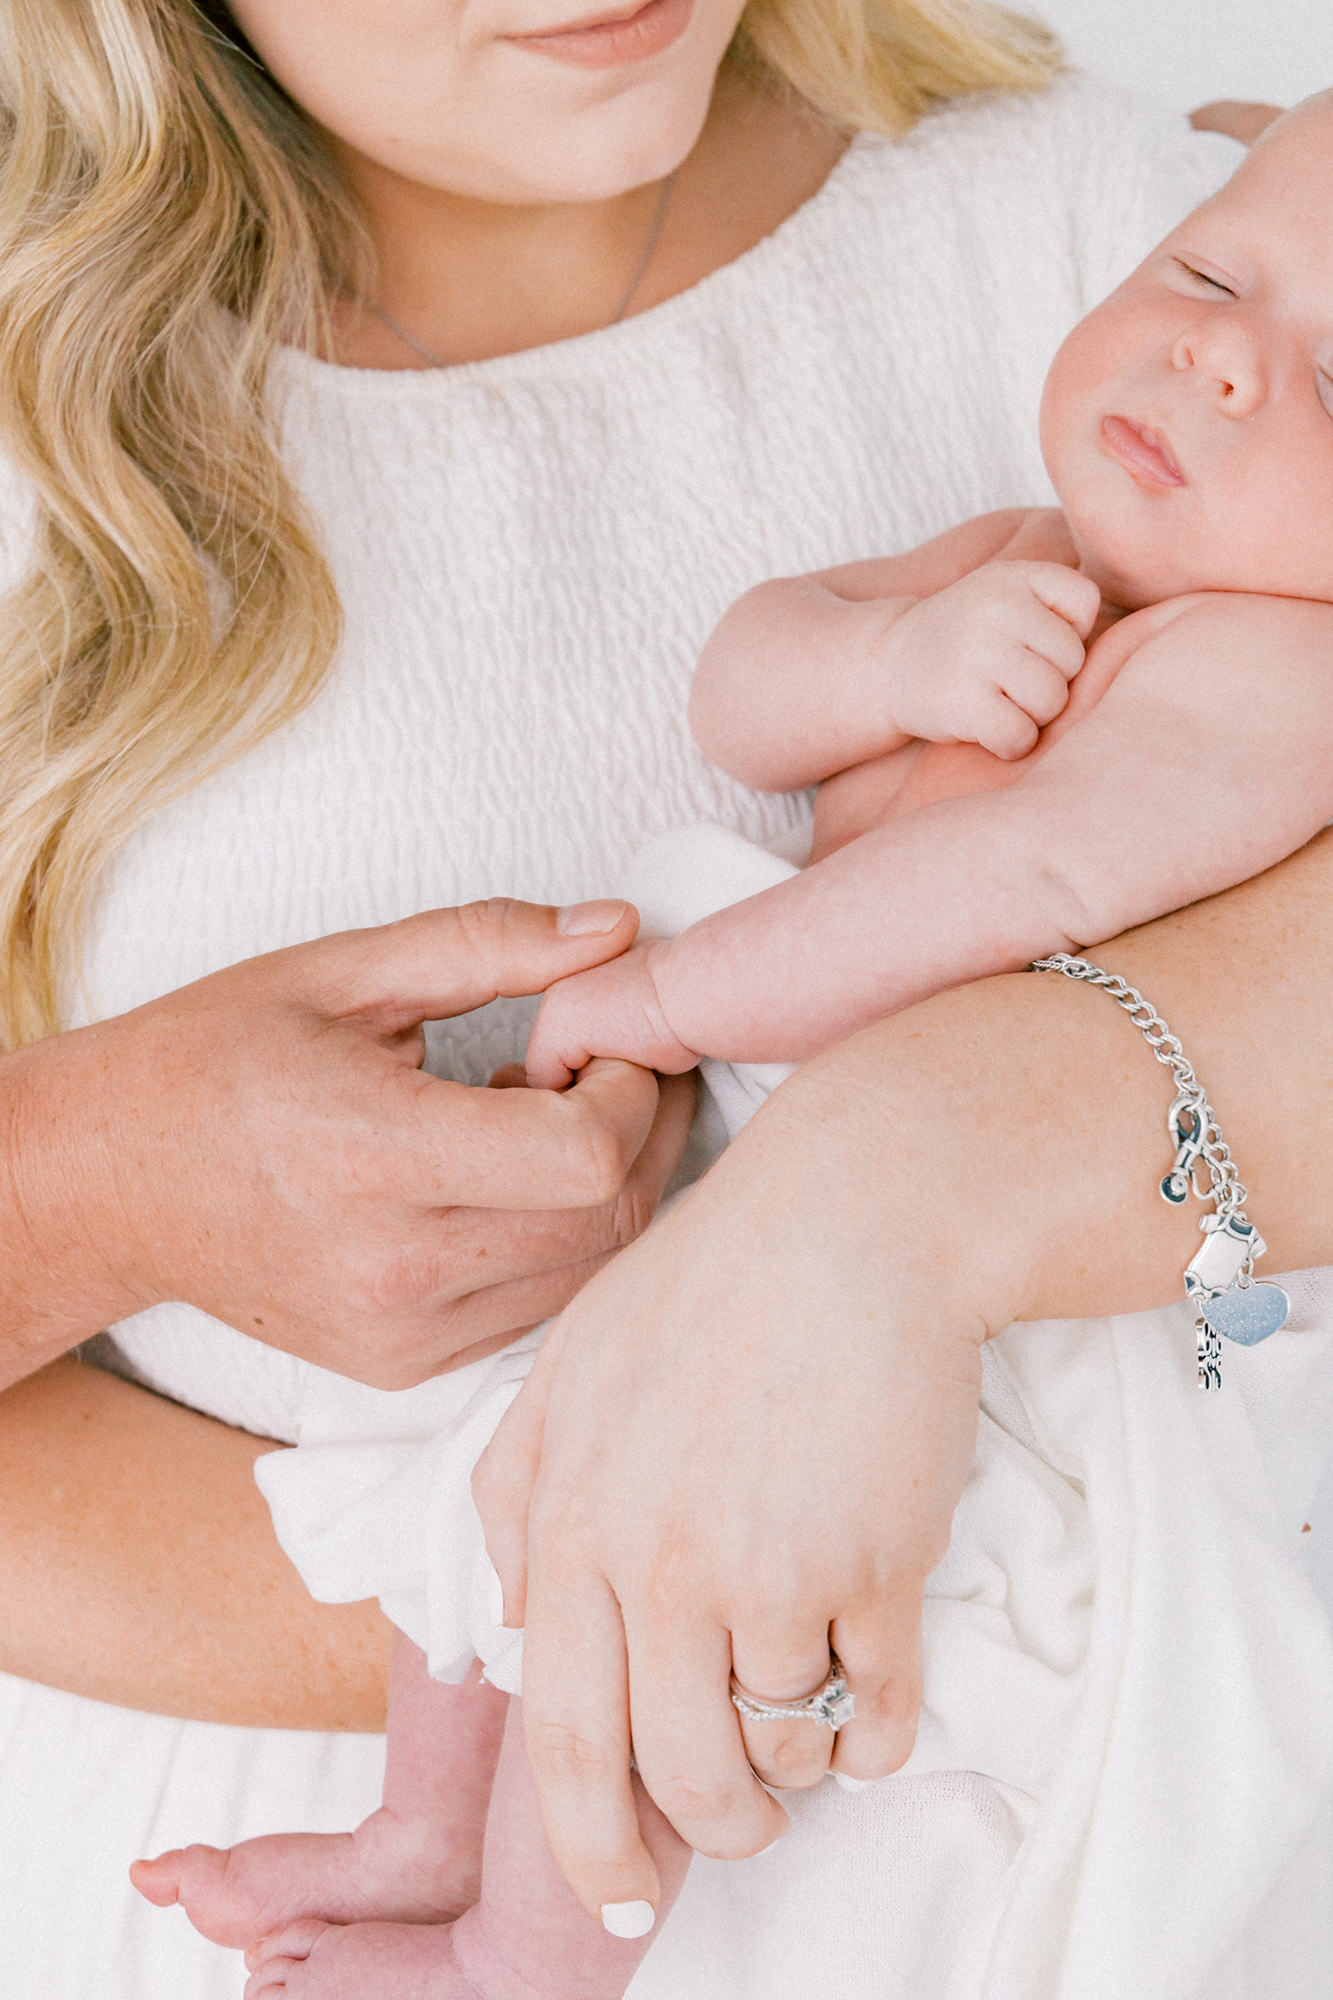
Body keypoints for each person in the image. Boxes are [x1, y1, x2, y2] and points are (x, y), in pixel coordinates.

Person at [0, 0, 1291, 1994]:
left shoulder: (1148, 265)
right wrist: (106, 1174)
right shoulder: (39, 407)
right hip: (235, 1830)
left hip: (933, 1819)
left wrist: (888, 1189)